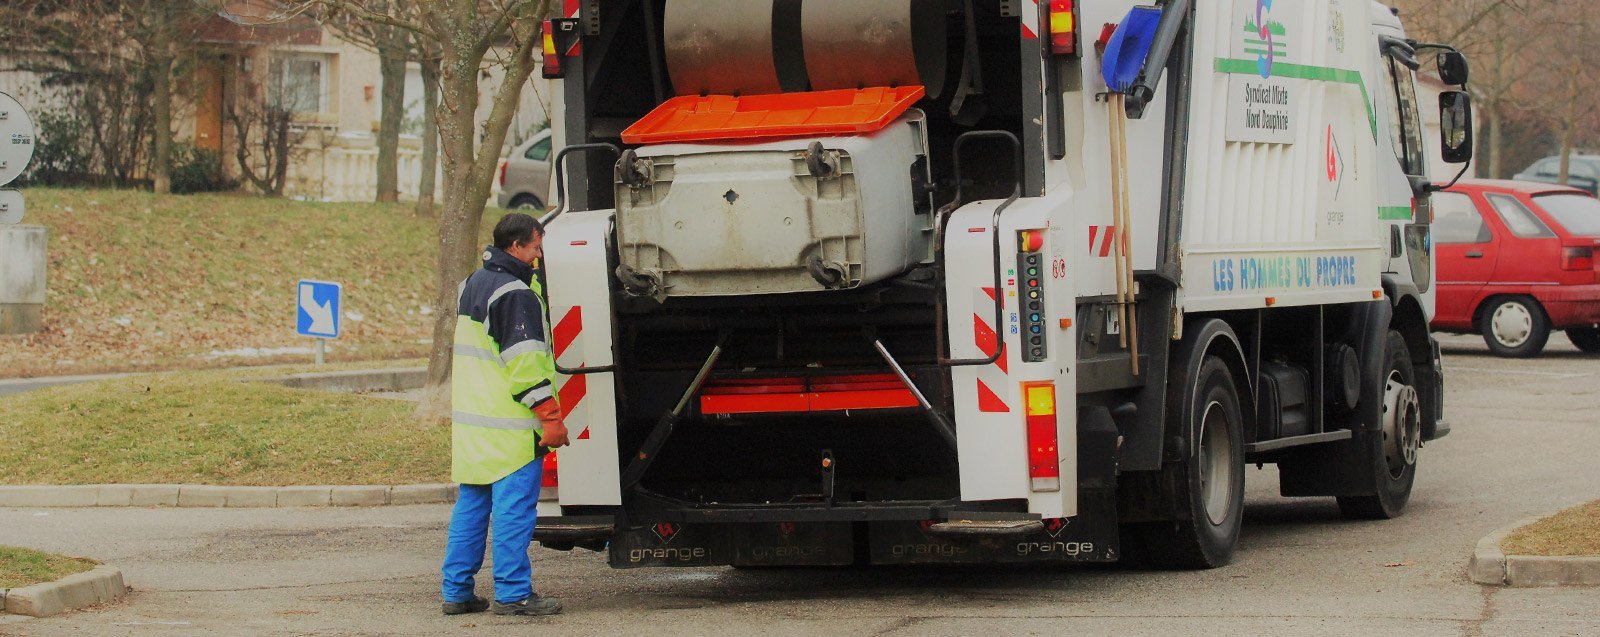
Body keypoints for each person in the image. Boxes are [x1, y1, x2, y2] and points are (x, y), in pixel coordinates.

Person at [440, 213, 570, 617]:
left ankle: (456, 592)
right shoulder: (515, 294)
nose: (539, 254)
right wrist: (549, 415)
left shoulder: (473, 283)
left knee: (471, 508)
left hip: (474, 424)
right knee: (513, 513)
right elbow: (525, 364)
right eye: (535, 247)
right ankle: (513, 593)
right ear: (516, 247)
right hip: (509, 428)